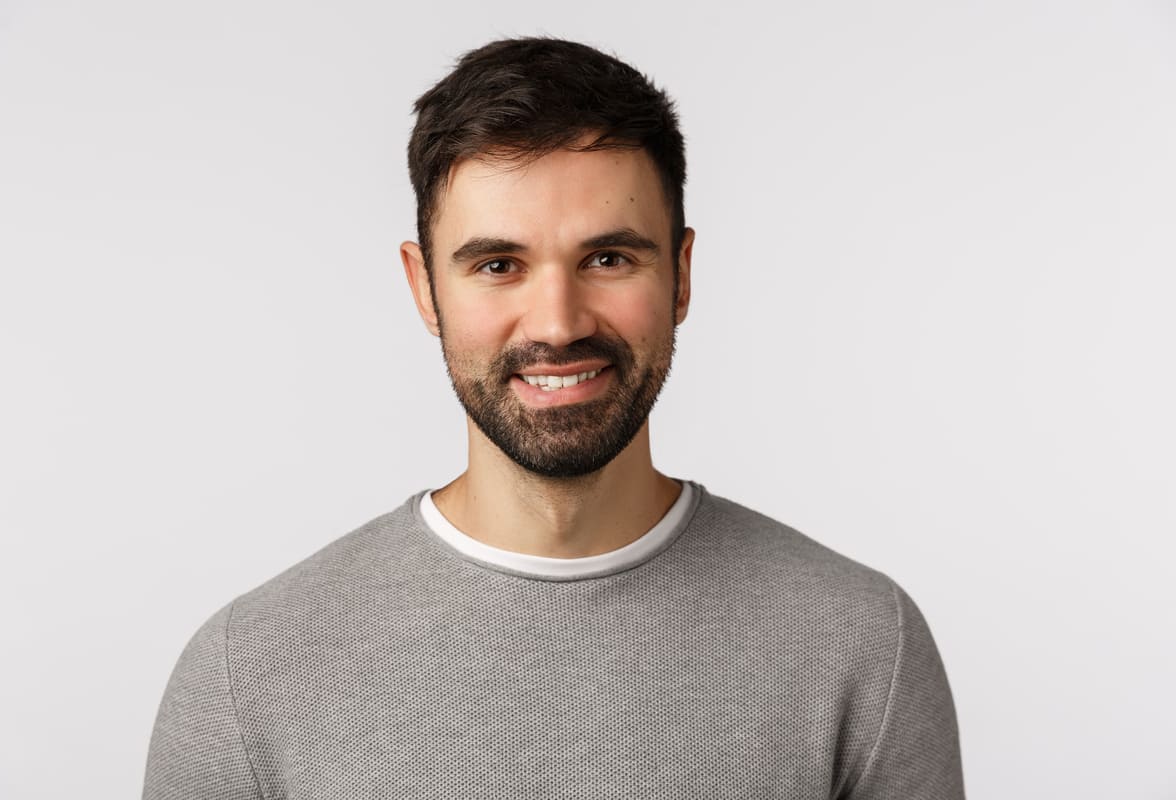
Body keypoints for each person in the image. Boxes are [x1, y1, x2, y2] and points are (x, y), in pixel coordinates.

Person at [142, 37, 964, 799]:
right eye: (498, 264)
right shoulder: (246, 678)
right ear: (425, 288)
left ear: (680, 274)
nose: (557, 322)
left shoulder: (861, 646)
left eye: (608, 258)